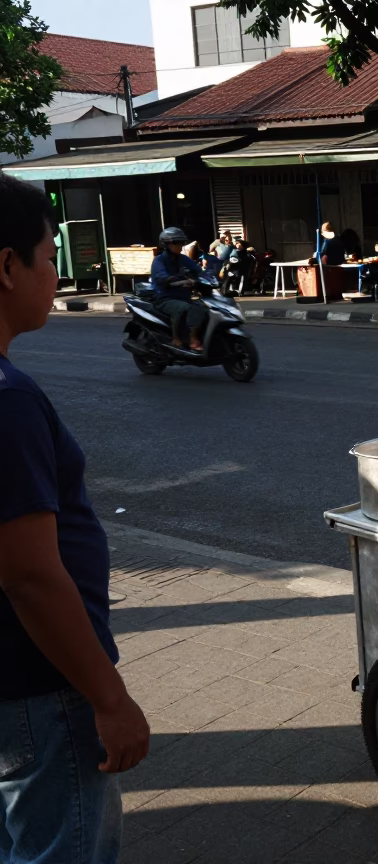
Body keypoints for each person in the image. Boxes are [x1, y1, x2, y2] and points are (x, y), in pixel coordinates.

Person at [0, 174, 150, 863]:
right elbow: (30, 576)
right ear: (7, 266)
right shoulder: (8, 403)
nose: (54, 274)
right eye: (47, 255)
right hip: (38, 687)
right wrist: (108, 697)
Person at [150, 227, 206, 351]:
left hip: (182, 296)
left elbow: (197, 270)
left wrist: (208, 277)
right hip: (164, 298)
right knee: (183, 308)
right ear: (166, 245)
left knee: (202, 307)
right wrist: (177, 281)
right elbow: (161, 277)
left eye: (181, 242)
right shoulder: (159, 261)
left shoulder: (182, 258)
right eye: (176, 243)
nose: (180, 246)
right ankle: (179, 338)